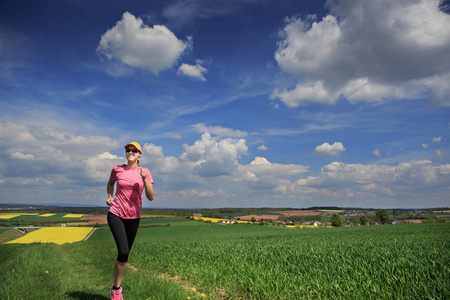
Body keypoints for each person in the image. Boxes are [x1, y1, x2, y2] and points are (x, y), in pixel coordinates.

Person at [106, 142, 154, 300]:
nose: (130, 152)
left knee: (124, 257)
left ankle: (117, 287)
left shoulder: (145, 172)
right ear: (126, 153)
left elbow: (151, 197)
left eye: (134, 150)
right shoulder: (117, 169)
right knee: (124, 251)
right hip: (116, 213)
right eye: (128, 150)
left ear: (140, 154)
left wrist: (145, 180)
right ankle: (116, 290)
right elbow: (110, 183)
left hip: (134, 217)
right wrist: (110, 196)